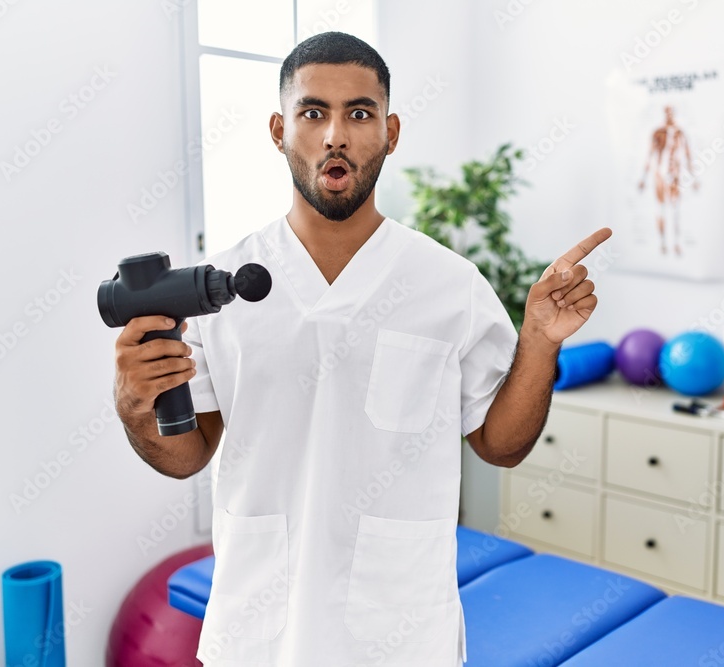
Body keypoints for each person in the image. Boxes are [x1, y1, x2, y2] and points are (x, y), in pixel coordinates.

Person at [112, 31, 611, 666]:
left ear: (391, 130)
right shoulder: (223, 286)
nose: (335, 136)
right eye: (313, 112)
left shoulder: (451, 286)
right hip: (259, 629)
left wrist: (539, 341)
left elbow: (501, 444)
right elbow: (185, 457)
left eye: (360, 113)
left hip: (399, 633)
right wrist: (135, 406)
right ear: (278, 128)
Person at [638, 105, 698, 256]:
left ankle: (676, 243)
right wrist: (643, 178)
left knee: (675, 209)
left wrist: (693, 177)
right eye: (667, 112)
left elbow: (687, 154)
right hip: (660, 174)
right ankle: (663, 243)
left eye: (671, 112)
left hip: (674, 174)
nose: (669, 115)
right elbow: (650, 154)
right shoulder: (658, 132)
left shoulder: (680, 133)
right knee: (661, 208)